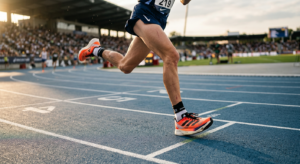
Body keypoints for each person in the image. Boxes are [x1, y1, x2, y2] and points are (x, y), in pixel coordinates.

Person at [78, 0, 213, 136]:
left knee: (125, 66)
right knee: (171, 56)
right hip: (145, 13)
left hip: (159, 19)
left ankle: (95, 50)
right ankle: (181, 117)